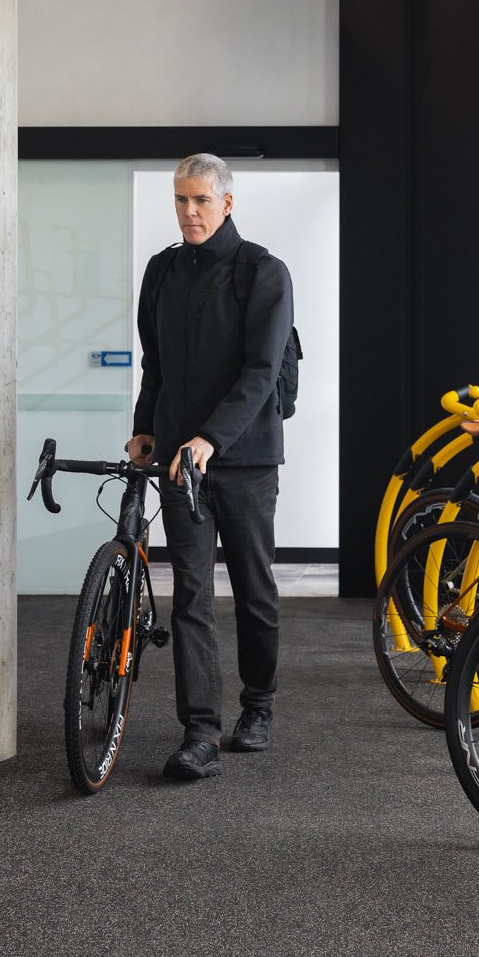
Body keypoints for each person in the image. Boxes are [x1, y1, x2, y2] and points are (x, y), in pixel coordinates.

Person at [128, 154, 295, 781]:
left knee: (254, 591)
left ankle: (259, 705)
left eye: (200, 200)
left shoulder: (263, 273)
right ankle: (199, 729)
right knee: (191, 593)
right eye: (179, 200)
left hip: (245, 458)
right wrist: (148, 427)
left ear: (227, 203)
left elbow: (259, 374)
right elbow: (157, 363)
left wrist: (209, 439)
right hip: (178, 460)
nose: (188, 212)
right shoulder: (162, 271)